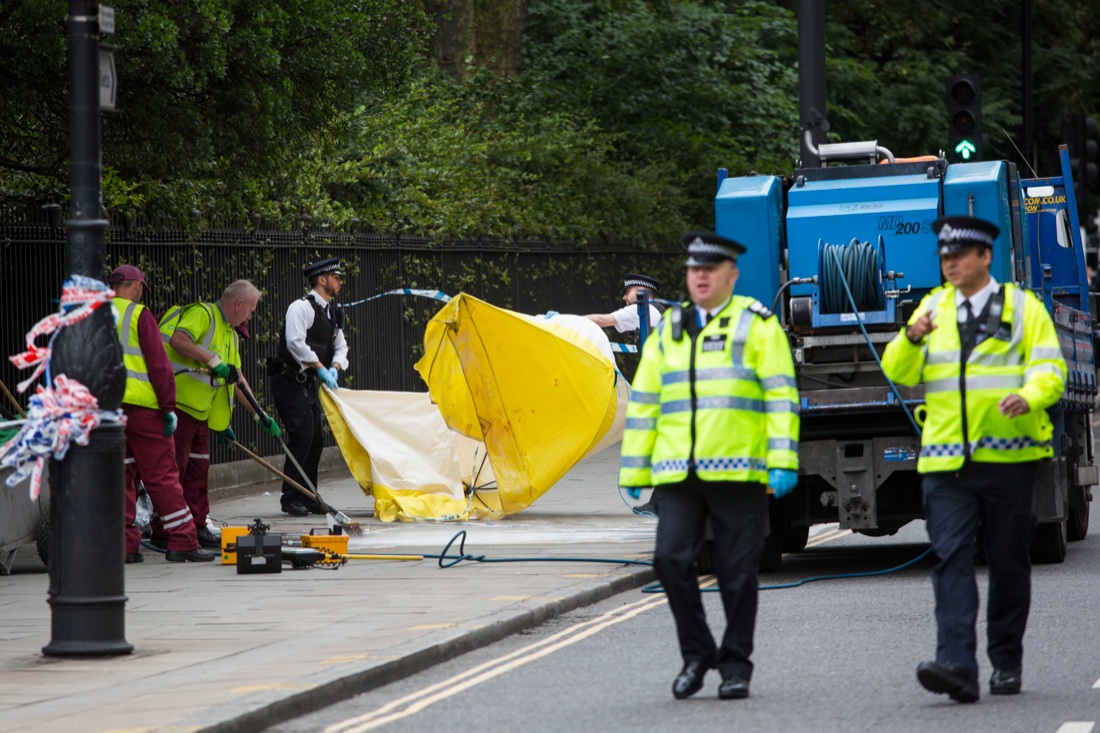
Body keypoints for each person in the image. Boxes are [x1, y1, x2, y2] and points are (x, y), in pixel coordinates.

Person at [882, 215, 1066, 703]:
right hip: (946, 463)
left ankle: (1006, 662)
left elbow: (1050, 369)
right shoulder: (931, 308)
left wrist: (1029, 395)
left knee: (1007, 562)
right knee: (950, 559)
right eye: (945, 257)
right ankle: (957, 664)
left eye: (959, 256)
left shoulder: (1024, 309)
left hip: (1010, 458)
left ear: (986, 257)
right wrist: (911, 336)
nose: (951, 264)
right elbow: (895, 370)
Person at [619, 232, 800, 700]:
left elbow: (781, 396)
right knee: (670, 561)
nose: (699, 277)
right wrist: (635, 469)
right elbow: (645, 403)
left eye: (710, 269)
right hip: (678, 473)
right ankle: (698, 654)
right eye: (694, 270)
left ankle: (736, 664)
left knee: (738, 572)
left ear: (731, 276)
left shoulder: (758, 326)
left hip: (738, 471)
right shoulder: (670, 329)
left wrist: (782, 459)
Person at [160, 280, 281, 547]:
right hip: (179, 409)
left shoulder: (230, 333)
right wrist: (211, 361)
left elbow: (237, 380)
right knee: (174, 473)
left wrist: (261, 415)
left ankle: (198, 525)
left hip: (201, 414)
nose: (250, 317)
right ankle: (167, 530)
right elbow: (178, 340)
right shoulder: (203, 314)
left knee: (197, 473)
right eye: (250, 311)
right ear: (238, 304)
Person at [110, 266, 216, 563]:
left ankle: (125, 545)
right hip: (144, 410)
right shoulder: (138, 314)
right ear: (136, 286)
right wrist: (168, 407)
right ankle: (182, 540)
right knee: (162, 475)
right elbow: (159, 365)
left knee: (120, 474)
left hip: (107, 412)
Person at [267, 258, 349, 516]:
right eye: (336, 277)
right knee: (302, 434)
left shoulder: (332, 313)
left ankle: (309, 496)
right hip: (289, 380)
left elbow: (341, 346)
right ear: (322, 280)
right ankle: (290, 497)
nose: (340, 282)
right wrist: (319, 367)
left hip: (308, 384)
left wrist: (334, 367)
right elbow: (295, 342)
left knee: (315, 439)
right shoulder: (300, 308)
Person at [585, 272, 663, 339]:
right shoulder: (659, 309)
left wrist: (574, 321)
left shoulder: (639, 309)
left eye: (628, 292)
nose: (624, 297)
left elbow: (601, 320)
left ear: (640, 291)